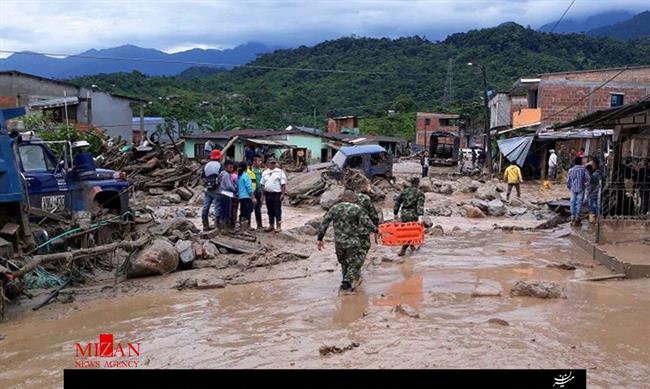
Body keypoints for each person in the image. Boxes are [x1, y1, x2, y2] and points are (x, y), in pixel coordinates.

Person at [317, 190, 378, 291]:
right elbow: (366, 223)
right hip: (353, 241)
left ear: (343, 197)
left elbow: (325, 223)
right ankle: (347, 281)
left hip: (339, 242)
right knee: (356, 261)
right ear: (353, 198)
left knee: (344, 263)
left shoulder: (334, 208)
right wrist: (377, 230)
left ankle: (345, 286)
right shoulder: (357, 209)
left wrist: (320, 238)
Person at [394, 176, 425, 257]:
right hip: (413, 214)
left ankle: (412, 247)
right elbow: (420, 205)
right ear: (418, 183)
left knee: (405, 232)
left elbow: (397, 203)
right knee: (411, 233)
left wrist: (395, 213)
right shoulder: (419, 193)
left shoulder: (404, 191)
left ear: (411, 183)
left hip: (404, 214)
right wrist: (420, 216)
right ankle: (403, 249)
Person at [261, 158, 287, 232]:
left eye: (274, 163)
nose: (273, 164)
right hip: (268, 194)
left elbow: (283, 184)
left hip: (276, 194)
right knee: (269, 210)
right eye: (271, 163)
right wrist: (262, 195)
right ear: (268, 164)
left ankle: (278, 226)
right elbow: (262, 184)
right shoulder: (265, 172)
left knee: (277, 210)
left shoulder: (280, 172)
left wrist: (282, 194)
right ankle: (271, 225)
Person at [201, 149, 222, 231]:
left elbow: (202, 177)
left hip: (207, 189)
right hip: (217, 189)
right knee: (217, 206)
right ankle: (217, 225)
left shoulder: (206, 165)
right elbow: (222, 177)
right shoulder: (220, 166)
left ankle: (205, 225)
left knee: (206, 206)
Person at [566, 157, 591, 226]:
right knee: (579, 203)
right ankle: (577, 217)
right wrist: (585, 185)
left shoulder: (570, 170)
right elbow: (589, 178)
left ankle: (572, 217)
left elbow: (568, 181)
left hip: (573, 189)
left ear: (574, 162)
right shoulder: (584, 169)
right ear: (581, 162)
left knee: (572, 202)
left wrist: (569, 187)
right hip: (581, 188)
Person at [356, 192, 379, 258]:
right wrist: (375, 225)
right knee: (364, 247)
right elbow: (373, 214)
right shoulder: (365, 198)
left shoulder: (346, 197)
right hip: (363, 228)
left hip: (349, 229)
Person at [216, 160, 237, 231]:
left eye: (232, 168)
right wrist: (235, 190)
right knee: (227, 211)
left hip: (221, 193)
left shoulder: (221, 173)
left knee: (222, 210)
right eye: (230, 167)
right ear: (226, 167)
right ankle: (225, 227)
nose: (232, 169)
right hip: (226, 194)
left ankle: (221, 226)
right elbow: (229, 186)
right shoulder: (227, 174)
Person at [237, 161, 256, 231]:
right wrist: (253, 197)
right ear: (246, 167)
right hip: (246, 196)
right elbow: (249, 187)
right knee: (248, 212)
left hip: (240, 197)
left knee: (242, 211)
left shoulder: (239, 176)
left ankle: (242, 226)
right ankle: (246, 227)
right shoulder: (246, 175)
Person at [248, 155, 264, 229]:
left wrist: (262, 194)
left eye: (260, 161)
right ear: (254, 161)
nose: (260, 162)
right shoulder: (249, 171)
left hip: (259, 192)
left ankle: (259, 225)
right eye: (258, 161)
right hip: (251, 192)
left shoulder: (260, 171)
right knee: (250, 209)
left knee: (258, 209)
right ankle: (248, 225)